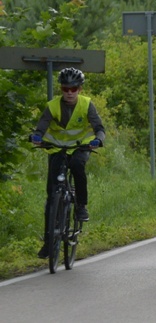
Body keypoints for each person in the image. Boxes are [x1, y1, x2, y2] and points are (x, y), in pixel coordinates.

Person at [31, 67, 105, 259]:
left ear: (80, 89)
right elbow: (41, 127)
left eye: (74, 89)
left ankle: (81, 206)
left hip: (80, 148)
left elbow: (98, 127)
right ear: (61, 89)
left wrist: (99, 139)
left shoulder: (87, 105)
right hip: (57, 149)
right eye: (66, 89)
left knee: (78, 167)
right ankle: (48, 242)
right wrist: (36, 136)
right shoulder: (52, 106)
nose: (69, 93)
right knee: (52, 194)